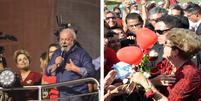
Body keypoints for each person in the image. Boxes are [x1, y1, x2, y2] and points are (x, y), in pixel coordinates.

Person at [132, 28, 201, 101]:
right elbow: (150, 76)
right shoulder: (168, 63)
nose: (163, 46)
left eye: (166, 44)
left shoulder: (190, 74)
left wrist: (145, 83)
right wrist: (140, 69)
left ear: (175, 52)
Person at [45, 28, 95, 101]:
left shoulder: (82, 53)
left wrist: (74, 69)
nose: (64, 42)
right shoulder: (57, 53)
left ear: (74, 40)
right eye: (61, 39)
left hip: (77, 93)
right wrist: (55, 64)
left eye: (67, 39)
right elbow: (47, 72)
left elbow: (91, 72)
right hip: (62, 93)